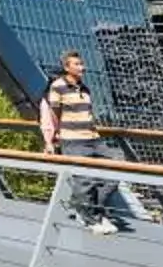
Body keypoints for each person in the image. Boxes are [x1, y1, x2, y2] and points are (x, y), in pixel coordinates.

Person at [40, 50, 129, 233]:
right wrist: (51, 140)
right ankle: (90, 218)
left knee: (119, 163)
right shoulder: (57, 86)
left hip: (93, 138)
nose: (83, 67)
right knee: (85, 179)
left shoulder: (85, 88)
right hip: (73, 141)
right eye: (77, 64)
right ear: (67, 67)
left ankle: (91, 208)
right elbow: (53, 116)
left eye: (82, 64)